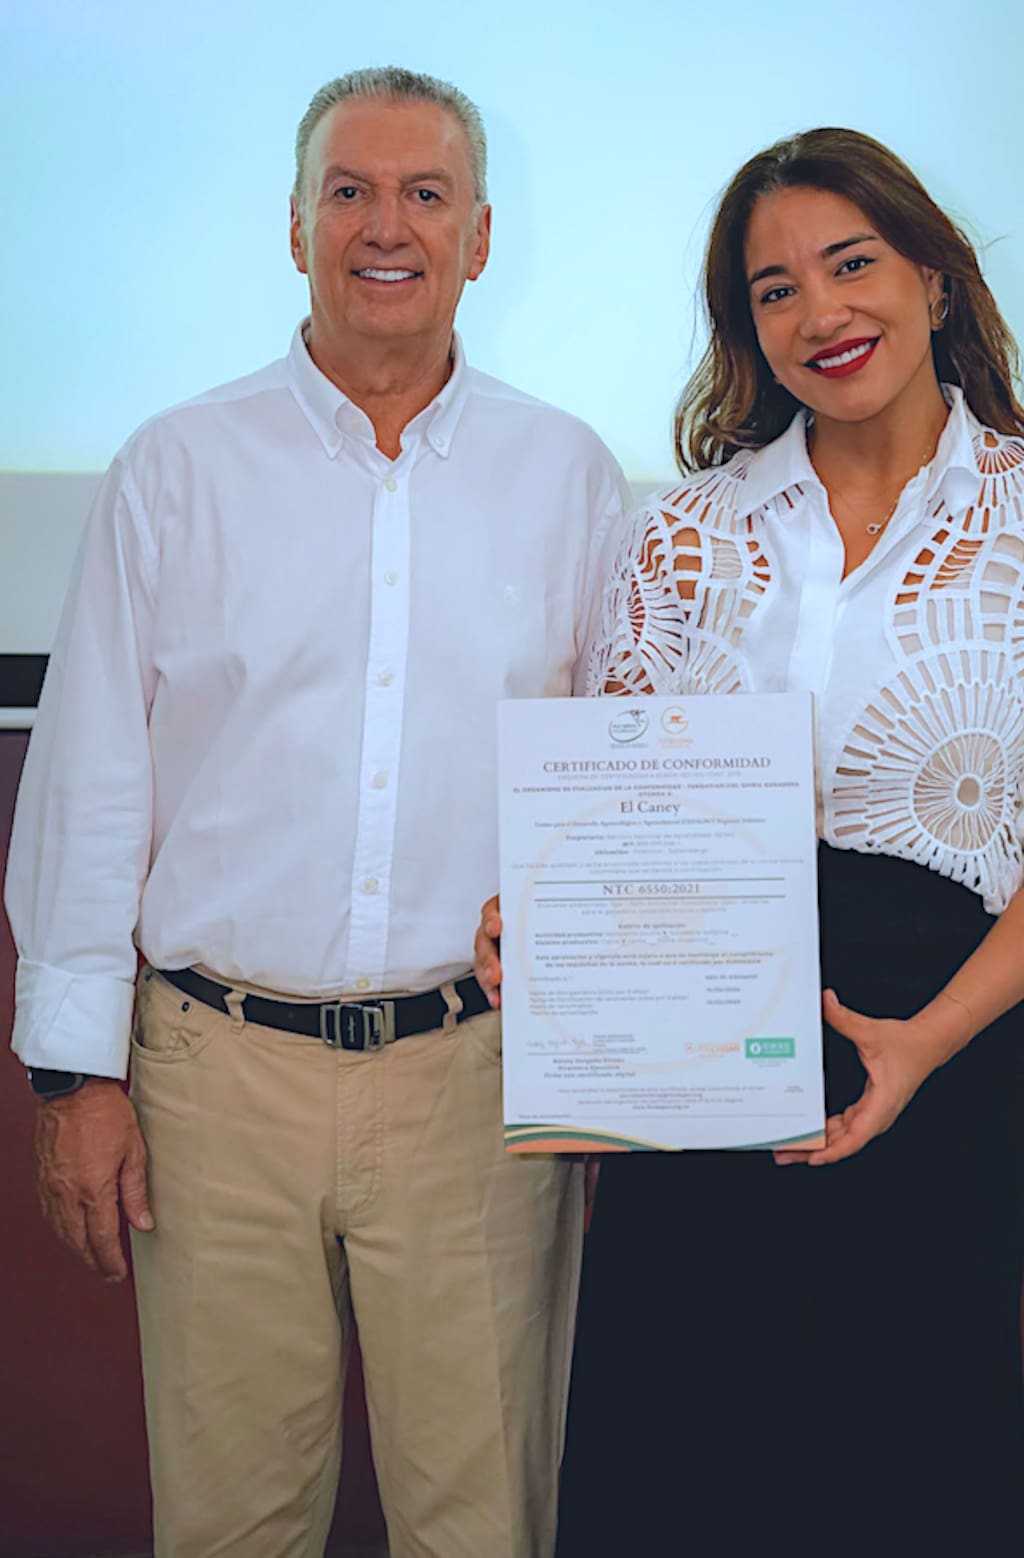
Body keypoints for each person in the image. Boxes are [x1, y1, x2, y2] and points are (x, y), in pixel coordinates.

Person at [473, 128, 1024, 1557]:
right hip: (692, 1076)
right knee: (679, 1470)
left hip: (942, 1062)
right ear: (749, 331)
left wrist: (927, 1037)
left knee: (906, 1475)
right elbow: (621, 811)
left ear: (934, 280)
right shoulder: (681, 534)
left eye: (852, 263)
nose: (821, 312)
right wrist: (539, 919)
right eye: (774, 289)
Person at [6, 66, 624, 1558]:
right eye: (349, 191)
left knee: (482, 1522)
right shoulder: (177, 465)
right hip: (214, 1081)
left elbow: (625, 779)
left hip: (477, 1089)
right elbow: (93, 776)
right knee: (230, 1524)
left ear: (481, 237)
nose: (385, 224)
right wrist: (71, 1076)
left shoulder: (572, 475)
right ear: (294, 229)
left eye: (426, 194)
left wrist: (617, 1040)